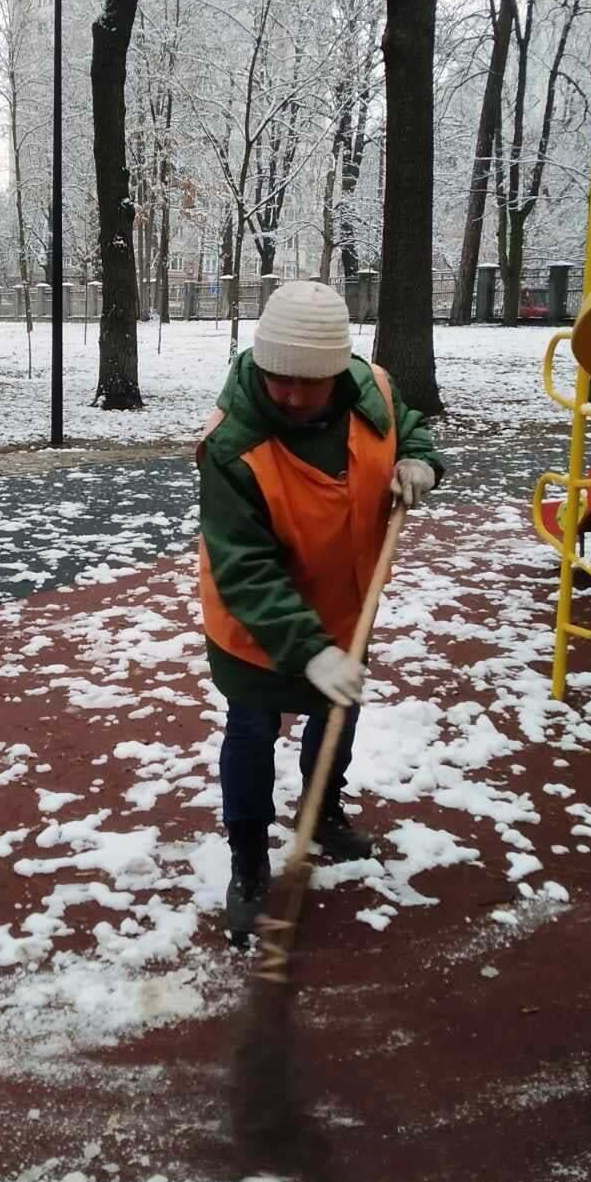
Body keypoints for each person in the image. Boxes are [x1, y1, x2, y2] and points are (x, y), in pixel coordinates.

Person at [197, 281, 443, 936]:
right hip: (254, 623)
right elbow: (245, 569)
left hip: (345, 605)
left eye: (308, 382)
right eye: (277, 378)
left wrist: (419, 461)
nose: (290, 394)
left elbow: (408, 426)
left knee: (336, 716)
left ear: (337, 373)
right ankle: (248, 855)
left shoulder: (374, 394)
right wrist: (309, 650)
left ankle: (323, 811)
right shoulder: (231, 446)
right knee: (251, 731)